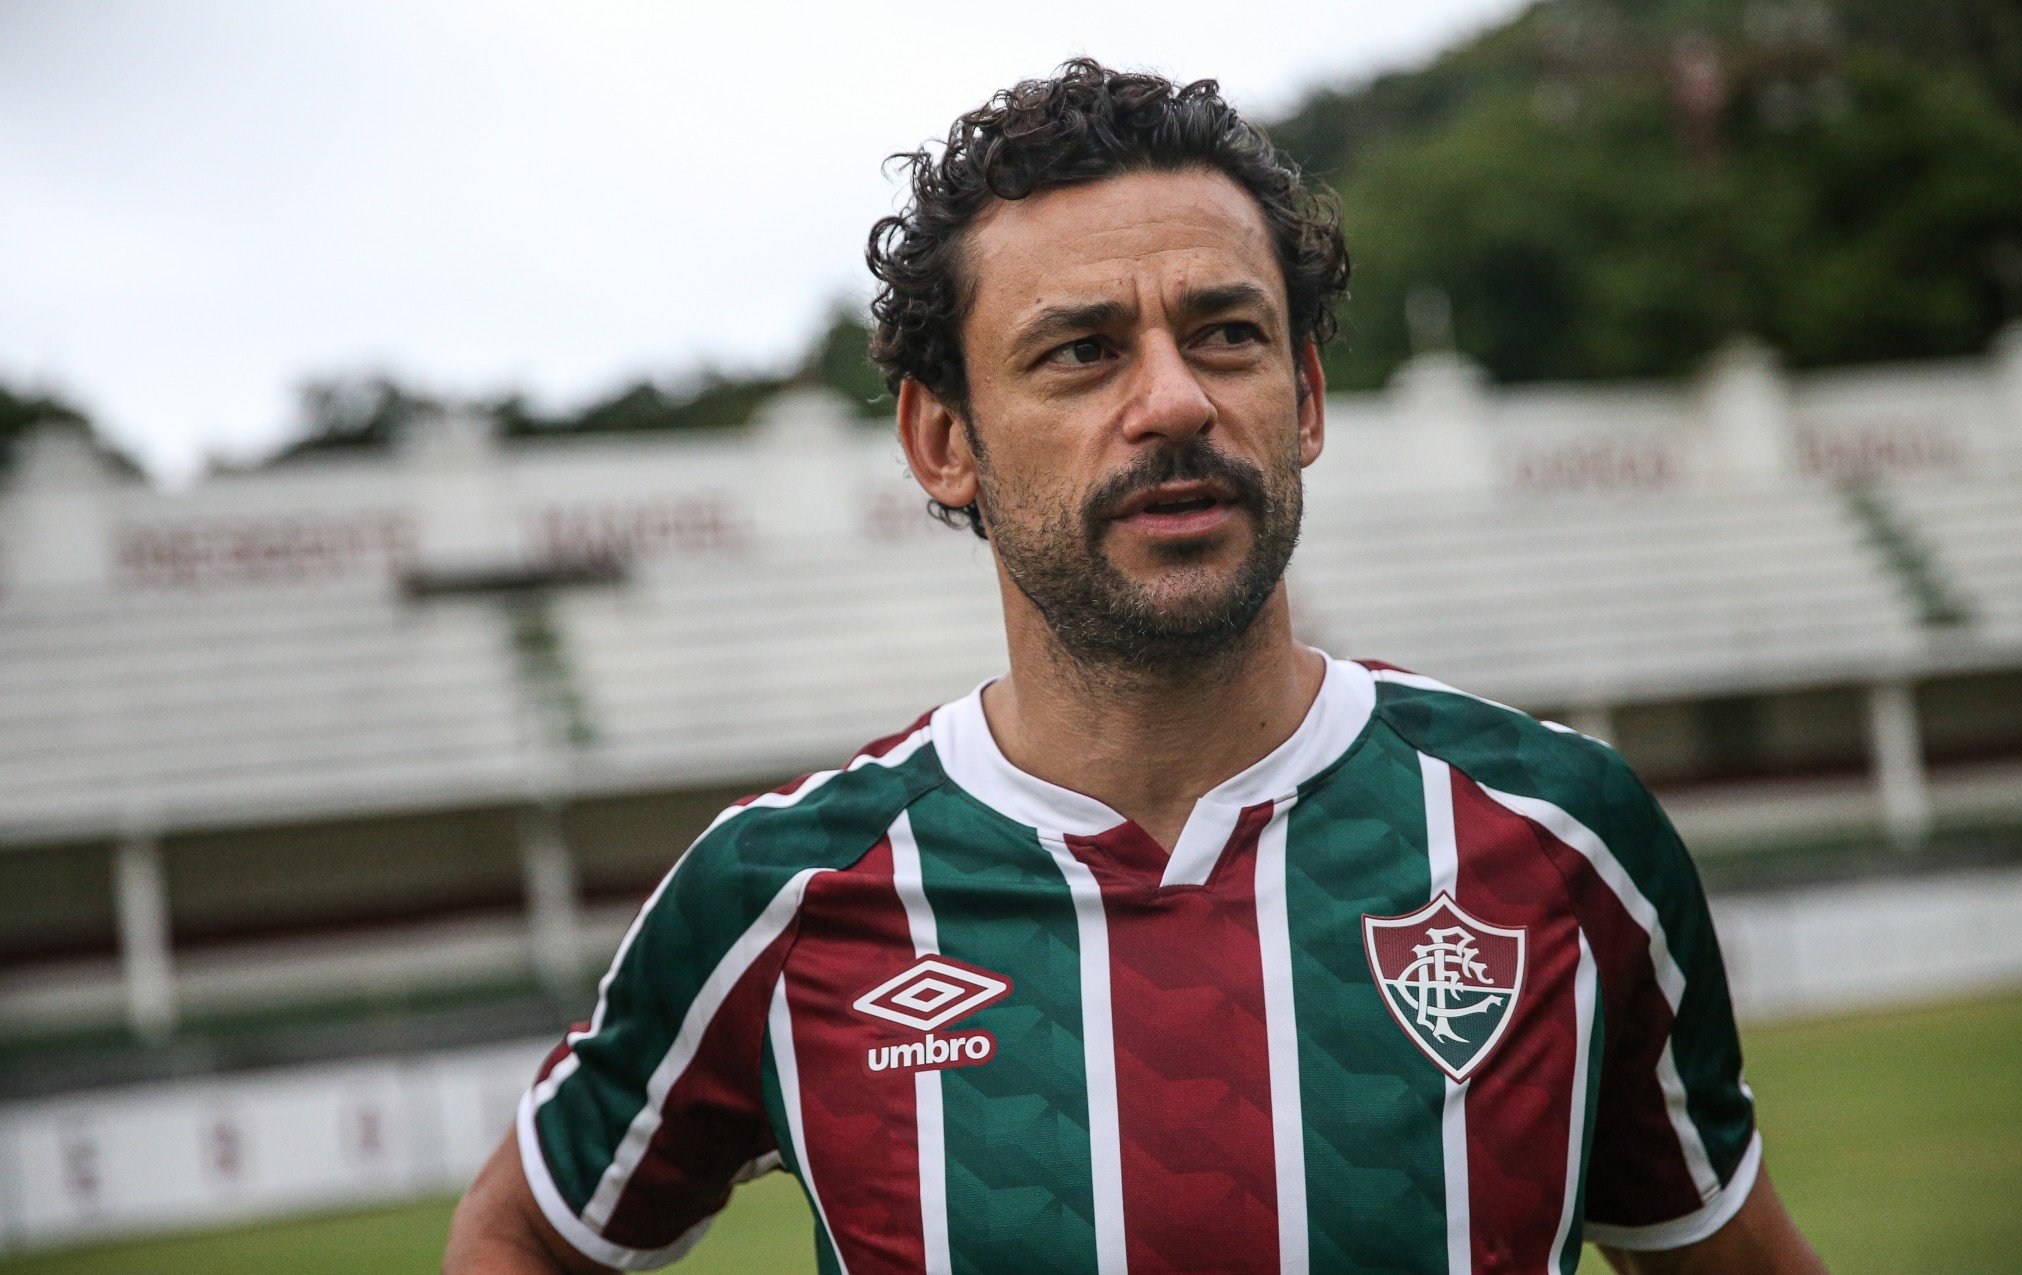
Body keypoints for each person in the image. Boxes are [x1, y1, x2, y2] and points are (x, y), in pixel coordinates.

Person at [445, 60, 1825, 1274]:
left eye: (1227, 334)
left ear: (1306, 402)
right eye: (1081, 352)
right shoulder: (783, 897)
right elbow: (523, 1232)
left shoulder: (1562, 839)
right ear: (944, 443)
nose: (1172, 401)